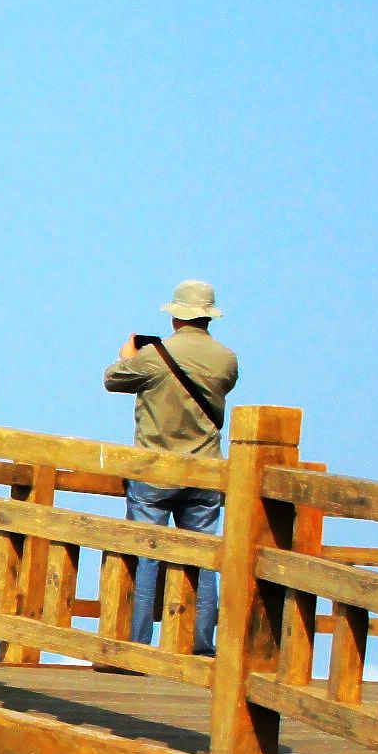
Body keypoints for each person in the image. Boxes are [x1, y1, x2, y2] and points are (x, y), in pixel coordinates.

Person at [102, 280, 239, 654]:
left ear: (176, 315)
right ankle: (201, 644)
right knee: (204, 555)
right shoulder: (227, 359)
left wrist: (126, 356)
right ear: (209, 317)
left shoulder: (154, 356)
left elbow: (112, 380)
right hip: (207, 470)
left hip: (156, 469)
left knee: (147, 551)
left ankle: (139, 642)